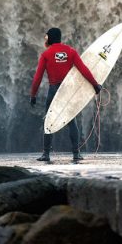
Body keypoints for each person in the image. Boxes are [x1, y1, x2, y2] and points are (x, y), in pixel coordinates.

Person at [30, 27, 101, 162]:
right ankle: (76, 153)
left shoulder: (46, 54)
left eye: (46, 37)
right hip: (68, 90)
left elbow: (37, 78)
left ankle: (46, 154)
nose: (45, 39)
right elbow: (83, 70)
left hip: (54, 90)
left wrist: (33, 95)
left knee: (49, 120)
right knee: (71, 121)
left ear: (50, 37)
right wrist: (95, 85)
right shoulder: (70, 51)